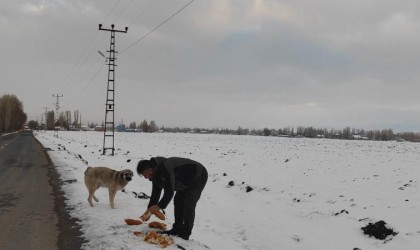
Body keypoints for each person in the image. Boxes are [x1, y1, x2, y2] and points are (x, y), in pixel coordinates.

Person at [137, 157, 208, 240]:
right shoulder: (155, 175)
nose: (145, 178)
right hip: (183, 179)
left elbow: (169, 192)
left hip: (198, 175)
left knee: (189, 204)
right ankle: (177, 229)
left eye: (145, 175)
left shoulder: (164, 168)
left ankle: (185, 233)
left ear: (149, 169)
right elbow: (155, 194)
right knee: (178, 201)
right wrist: (148, 212)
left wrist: (158, 206)